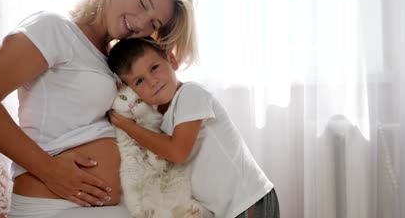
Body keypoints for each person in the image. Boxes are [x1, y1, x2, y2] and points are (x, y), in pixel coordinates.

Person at [0, 0, 197, 218]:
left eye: (154, 24)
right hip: (55, 207)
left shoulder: (111, 58)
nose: (142, 23)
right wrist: (48, 169)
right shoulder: (54, 27)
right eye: (143, 4)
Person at [107, 37, 280, 218]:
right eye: (139, 81)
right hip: (228, 208)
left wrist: (127, 126)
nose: (152, 82)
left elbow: (178, 151)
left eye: (154, 68)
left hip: (248, 200)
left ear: (172, 60)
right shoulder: (165, 119)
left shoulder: (191, 94)